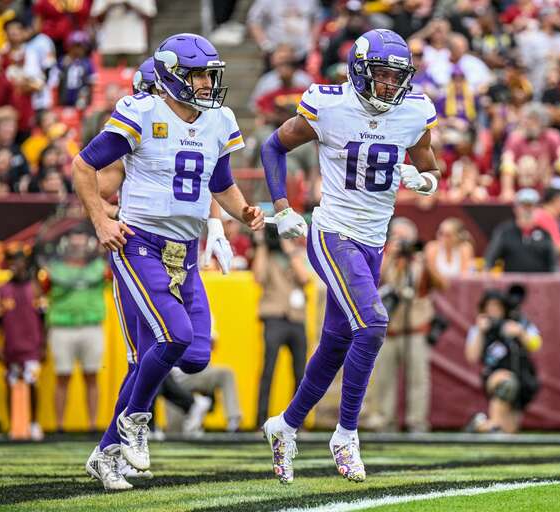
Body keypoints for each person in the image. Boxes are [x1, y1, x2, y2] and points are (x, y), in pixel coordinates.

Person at [73, 35, 264, 491]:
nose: (207, 84)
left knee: (193, 356)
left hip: (186, 252)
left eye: (209, 75)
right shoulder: (142, 112)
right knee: (171, 338)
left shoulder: (218, 120)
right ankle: (135, 419)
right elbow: (83, 166)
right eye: (198, 75)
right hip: (140, 244)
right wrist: (101, 220)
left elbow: (221, 181)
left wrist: (242, 213)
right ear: (173, 77)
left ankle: (108, 451)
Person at [259, 29, 441, 483]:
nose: (389, 85)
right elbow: (273, 146)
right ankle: (345, 435)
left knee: (337, 342)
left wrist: (424, 181)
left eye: (396, 77)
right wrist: (282, 207)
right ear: (359, 72)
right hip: (333, 232)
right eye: (381, 75)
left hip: (373, 242)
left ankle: (285, 425)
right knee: (374, 324)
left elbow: (430, 167)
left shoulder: (413, 111)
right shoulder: (329, 105)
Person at [366, 217, 438, 433]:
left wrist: (424, 261)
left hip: (415, 329)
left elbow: (441, 284)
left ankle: (417, 422)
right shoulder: (384, 258)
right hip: (388, 330)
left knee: (418, 378)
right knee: (383, 379)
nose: (402, 243)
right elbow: (373, 280)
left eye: (405, 239)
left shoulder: (420, 262)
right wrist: (390, 255)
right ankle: (384, 421)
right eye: (397, 238)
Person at [45, 228, 107, 433]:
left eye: (81, 244)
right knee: (62, 376)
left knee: (92, 375)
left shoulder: (100, 266)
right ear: (66, 245)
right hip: (62, 327)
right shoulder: (54, 268)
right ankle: (59, 426)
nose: (78, 248)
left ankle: (93, 425)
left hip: (92, 325)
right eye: (74, 244)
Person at [252, 224, 310, 428]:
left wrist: (289, 248)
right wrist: (261, 243)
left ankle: (297, 421)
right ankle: (261, 419)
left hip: (296, 318)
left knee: (300, 372)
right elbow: (258, 277)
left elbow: (304, 277)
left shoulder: (297, 254)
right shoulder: (267, 255)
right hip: (274, 316)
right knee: (268, 370)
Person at [464, 287, 541, 434]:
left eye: (497, 307)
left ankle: (479, 424)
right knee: (507, 383)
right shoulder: (478, 328)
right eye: (489, 307)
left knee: (508, 432)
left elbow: (536, 345)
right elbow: (471, 357)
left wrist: (520, 333)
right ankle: (493, 426)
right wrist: (480, 331)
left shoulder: (517, 323)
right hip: (495, 376)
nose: (493, 311)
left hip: (521, 377)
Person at [0, 249, 46, 441]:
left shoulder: (36, 288)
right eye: (11, 261)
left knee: (33, 383)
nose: (14, 264)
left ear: (25, 263)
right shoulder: (1, 290)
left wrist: (44, 346)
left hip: (32, 347)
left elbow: (44, 319)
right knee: (11, 383)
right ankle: (13, 425)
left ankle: (34, 423)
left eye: (17, 260)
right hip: (11, 347)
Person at [484, 188, 559, 273]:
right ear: (515, 208)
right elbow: (489, 260)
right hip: (512, 280)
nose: (527, 210)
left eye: (530, 206)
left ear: (536, 209)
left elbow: (554, 264)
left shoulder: (544, 234)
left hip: (539, 280)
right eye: (523, 206)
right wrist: (487, 277)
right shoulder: (505, 232)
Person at [90, 0, 157, 68]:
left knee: (136, 73)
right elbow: (96, 18)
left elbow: (149, 16)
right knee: (108, 73)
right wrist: (109, 7)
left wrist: (130, 6)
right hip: (109, 45)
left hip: (135, 45)